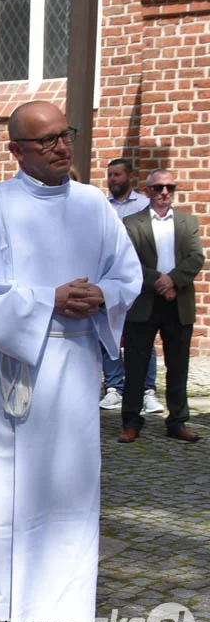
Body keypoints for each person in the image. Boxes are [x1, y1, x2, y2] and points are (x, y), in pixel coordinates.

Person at [0, 101, 141, 622]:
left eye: (66, 134)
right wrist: (46, 300)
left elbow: (126, 272)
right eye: (47, 139)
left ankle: (65, 608)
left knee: (71, 489)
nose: (62, 146)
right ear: (17, 152)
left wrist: (102, 295)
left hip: (75, 367)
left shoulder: (93, 206)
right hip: (13, 367)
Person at [118, 169, 205, 443]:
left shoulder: (187, 222)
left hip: (177, 302)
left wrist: (173, 282)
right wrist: (159, 281)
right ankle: (131, 422)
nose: (164, 192)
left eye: (169, 187)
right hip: (144, 301)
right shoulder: (132, 223)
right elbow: (128, 262)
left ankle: (177, 421)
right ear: (148, 191)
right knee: (135, 365)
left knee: (178, 365)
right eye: (158, 188)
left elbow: (195, 257)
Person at [100, 158, 162, 413]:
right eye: (110, 175)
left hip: (140, 281)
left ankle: (147, 390)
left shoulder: (145, 205)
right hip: (110, 278)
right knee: (110, 334)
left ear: (130, 177)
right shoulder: (103, 207)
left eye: (117, 175)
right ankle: (114, 387)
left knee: (143, 337)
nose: (113, 179)